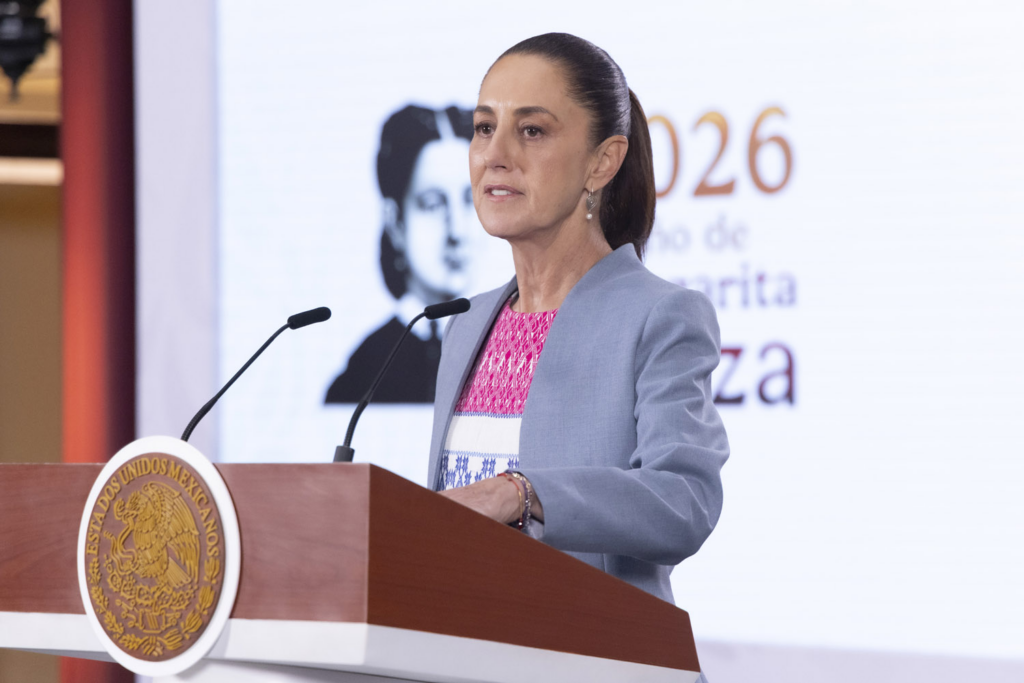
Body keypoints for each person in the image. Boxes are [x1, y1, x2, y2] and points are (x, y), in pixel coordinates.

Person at [427, 32, 729, 614]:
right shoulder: (465, 325)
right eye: (484, 127)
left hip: (593, 649)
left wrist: (523, 494)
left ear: (602, 161)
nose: (495, 154)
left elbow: (685, 499)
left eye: (531, 130)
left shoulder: (659, 316)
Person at [326, 104, 477, 404]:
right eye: (433, 204)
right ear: (396, 221)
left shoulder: (506, 351)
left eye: (469, 200)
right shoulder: (365, 373)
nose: (457, 232)